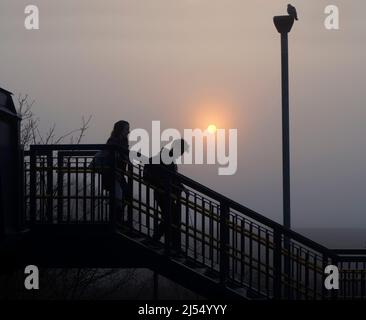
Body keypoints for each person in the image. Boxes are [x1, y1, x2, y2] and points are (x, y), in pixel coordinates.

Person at [144, 139, 189, 252]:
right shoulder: (165, 157)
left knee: (172, 218)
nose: (182, 154)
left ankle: (171, 244)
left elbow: (174, 178)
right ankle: (163, 242)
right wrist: (159, 184)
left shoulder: (169, 158)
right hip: (162, 193)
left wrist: (182, 188)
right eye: (182, 151)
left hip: (166, 193)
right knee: (171, 217)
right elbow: (158, 172)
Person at [94, 120, 130, 224]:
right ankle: (116, 222)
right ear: (121, 129)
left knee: (123, 196)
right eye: (127, 129)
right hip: (113, 174)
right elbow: (109, 157)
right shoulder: (113, 141)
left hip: (118, 174)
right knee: (120, 197)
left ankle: (116, 220)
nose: (128, 131)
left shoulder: (121, 142)